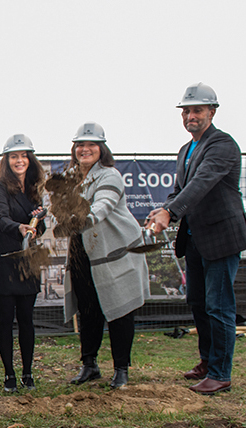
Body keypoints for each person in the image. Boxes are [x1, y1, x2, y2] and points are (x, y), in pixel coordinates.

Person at [147, 83, 246, 395]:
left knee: (219, 306)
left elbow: (203, 183)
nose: (191, 115)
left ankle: (220, 373)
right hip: (194, 239)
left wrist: (172, 213)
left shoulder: (222, 145)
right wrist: (164, 208)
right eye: (186, 111)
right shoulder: (185, 150)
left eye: (197, 110)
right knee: (198, 303)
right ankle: (207, 362)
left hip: (221, 238)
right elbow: (180, 190)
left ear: (212, 112)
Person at [63, 122, 150, 389]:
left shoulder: (109, 175)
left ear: (102, 148)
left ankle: (121, 369)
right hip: (83, 254)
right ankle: (89, 365)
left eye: (91, 144)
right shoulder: (71, 177)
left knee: (120, 309)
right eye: (80, 145)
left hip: (115, 253)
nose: (85, 149)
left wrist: (86, 217)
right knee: (88, 310)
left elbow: (104, 203)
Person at [0, 134, 45, 392]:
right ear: (7, 160)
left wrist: (36, 222)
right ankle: (9, 374)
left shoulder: (35, 188)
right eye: (14, 156)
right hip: (3, 259)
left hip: (26, 260)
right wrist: (21, 227)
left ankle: (28, 373)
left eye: (24, 156)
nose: (19, 160)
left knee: (27, 318)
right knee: (5, 318)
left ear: (30, 159)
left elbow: (38, 230)